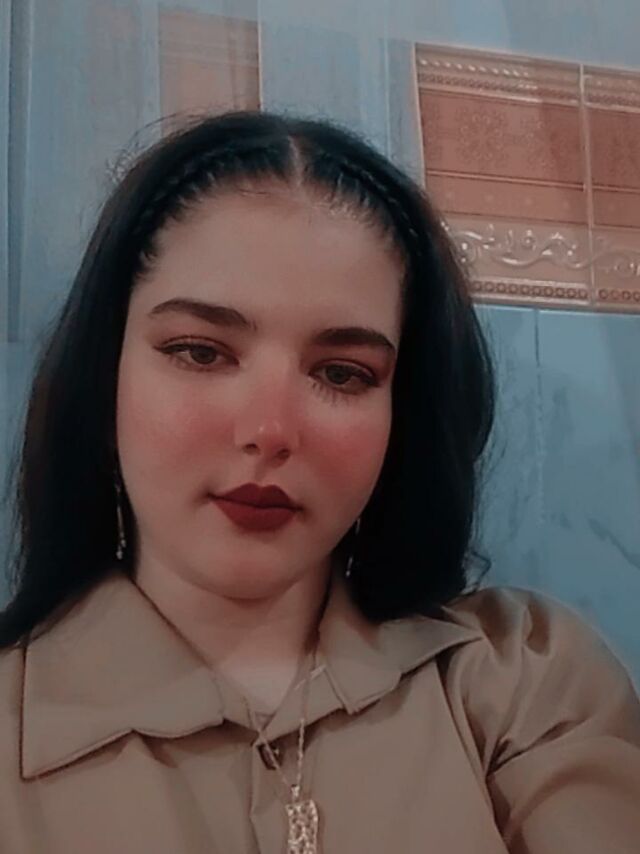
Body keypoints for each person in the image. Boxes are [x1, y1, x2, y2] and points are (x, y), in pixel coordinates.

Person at [0, 109, 638, 854]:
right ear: (104, 377)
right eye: (201, 352)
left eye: (342, 374)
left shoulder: (522, 680)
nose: (270, 429)